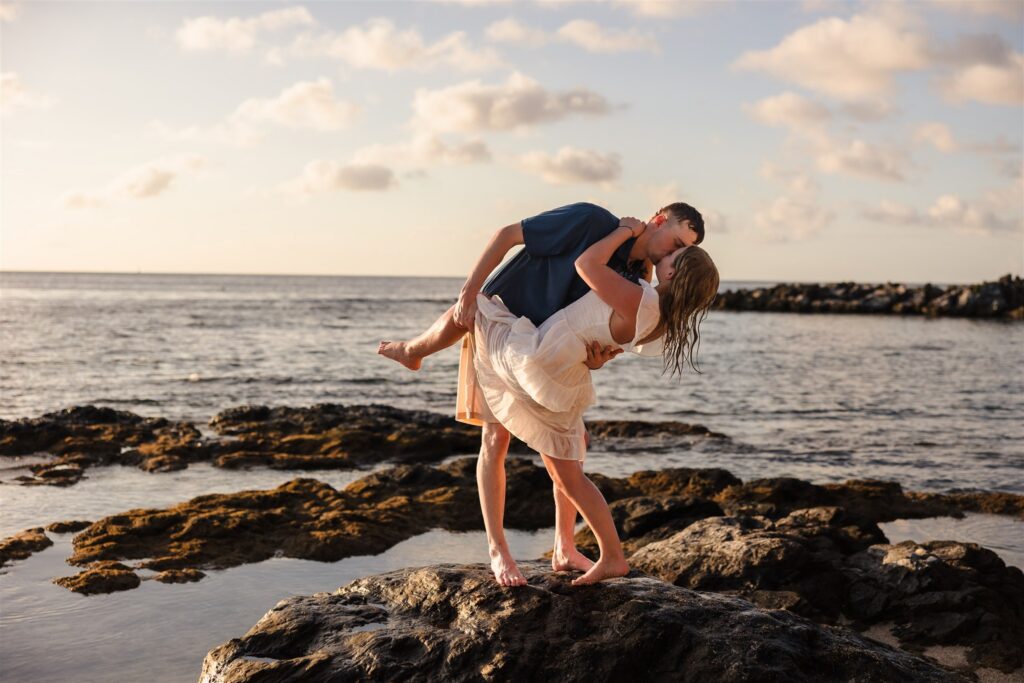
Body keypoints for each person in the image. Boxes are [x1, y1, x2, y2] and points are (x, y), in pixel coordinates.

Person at [379, 202, 708, 586]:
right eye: (675, 242)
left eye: (680, 252)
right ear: (658, 219)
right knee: (495, 437)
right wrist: (469, 291)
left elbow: (607, 335)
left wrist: (597, 360)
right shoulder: (593, 222)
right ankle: (498, 550)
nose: (671, 254)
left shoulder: (638, 276)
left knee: (573, 447)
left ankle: (564, 548)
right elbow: (506, 235)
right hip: (510, 323)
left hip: (544, 354)